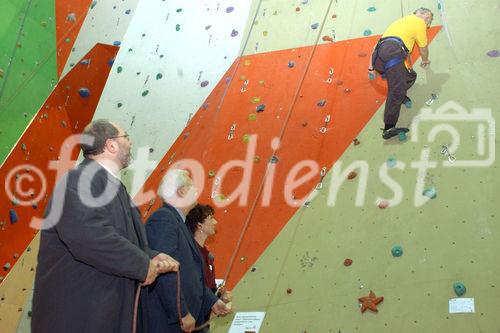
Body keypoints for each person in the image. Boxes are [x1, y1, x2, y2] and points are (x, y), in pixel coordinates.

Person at [32, 119, 179, 333]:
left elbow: (126, 240)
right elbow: (91, 237)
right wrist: (141, 264)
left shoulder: (115, 187)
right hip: (81, 315)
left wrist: (151, 256)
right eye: (126, 137)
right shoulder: (77, 180)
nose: (130, 142)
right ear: (111, 145)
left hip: (106, 310)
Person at [144, 169, 231, 333]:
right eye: (193, 187)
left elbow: (193, 277)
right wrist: (181, 313)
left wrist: (212, 301)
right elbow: (166, 271)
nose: (196, 191)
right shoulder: (164, 219)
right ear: (182, 191)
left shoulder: (179, 223)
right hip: (171, 323)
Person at [368, 8, 434, 140]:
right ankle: (389, 128)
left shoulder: (400, 22)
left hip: (379, 57)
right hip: (393, 53)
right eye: (429, 20)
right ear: (424, 15)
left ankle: (401, 96)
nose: (428, 24)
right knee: (397, 90)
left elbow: (376, 45)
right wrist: (425, 60)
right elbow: (423, 47)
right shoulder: (419, 22)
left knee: (410, 76)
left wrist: (371, 68)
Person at [185, 204, 233, 327]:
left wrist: (218, 296)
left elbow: (206, 288)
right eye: (211, 218)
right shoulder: (189, 254)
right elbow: (193, 286)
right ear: (199, 225)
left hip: (202, 321)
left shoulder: (207, 255)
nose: (215, 222)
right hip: (191, 321)